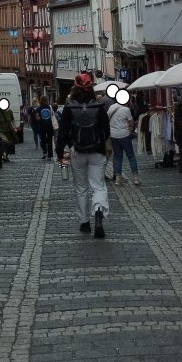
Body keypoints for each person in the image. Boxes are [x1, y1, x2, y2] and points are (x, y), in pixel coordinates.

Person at [55, 72, 111, 238]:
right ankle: (99, 211)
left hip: (77, 151)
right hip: (97, 152)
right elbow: (106, 130)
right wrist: (100, 142)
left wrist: (60, 152)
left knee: (81, 188)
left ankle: (85, 222)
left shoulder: (69, 107)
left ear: (75, 87)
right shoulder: (98, 106)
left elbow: (63, 132)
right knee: (98, 185)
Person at [108, 98, 140, 185]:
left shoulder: (111, 107)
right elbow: (131, 123)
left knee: (117, 156)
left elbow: (107, 120)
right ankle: (135, 178)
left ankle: (118, 178)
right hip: (124, 135)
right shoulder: (126, 109)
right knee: (131, 156)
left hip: (113, 135)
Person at [0, 98, 18, 162]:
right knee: (4, 142)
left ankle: (6, 156)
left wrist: (15, 128)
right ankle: (4, 155)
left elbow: (12, 120)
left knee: (9, 144)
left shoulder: (10, 112)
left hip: (9, 130)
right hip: (1, 131)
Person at [37, 95, 54, 160]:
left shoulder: (39, 108)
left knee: (43, 140)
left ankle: (44, 153)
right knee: (49, 141)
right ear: (47, 100)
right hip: (49, 126)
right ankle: (49, 156)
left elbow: (37, 118)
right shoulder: (50, 107)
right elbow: (52, 115)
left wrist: (41, 118)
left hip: (42, 126)